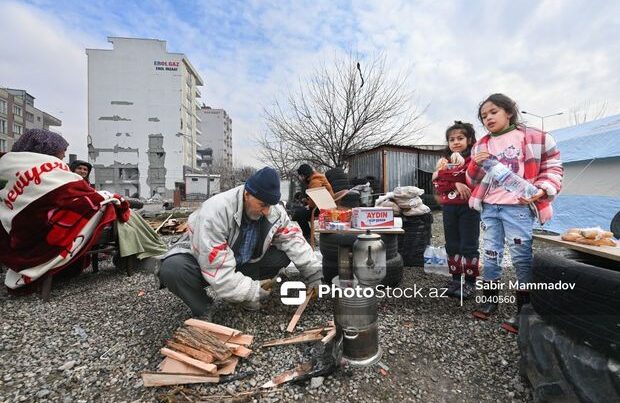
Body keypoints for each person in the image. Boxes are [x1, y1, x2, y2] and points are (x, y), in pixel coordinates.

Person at [158, 167, 322, 317]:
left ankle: (241, 292)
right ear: (247, 194)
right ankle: (204, 307)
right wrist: (251, 291)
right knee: (173, 269)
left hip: (240, 260)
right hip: (203, 262)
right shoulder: (215, 212)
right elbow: (217, 267)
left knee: (284, 253)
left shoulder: (273, 211)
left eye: (270, 206)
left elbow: (294, 240)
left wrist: (314, 273)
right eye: (262, 205)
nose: (266, 211)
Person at [466, 94, 563, 333]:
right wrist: (474, 165)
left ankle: (524, 311)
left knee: (521, 257)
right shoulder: (481, 145)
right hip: (489, 207)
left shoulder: (534, 137)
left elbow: (553, 166)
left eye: (493, 112)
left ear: (509, 111)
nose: (488, 117)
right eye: (483, 115)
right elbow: (471, 181)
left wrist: (543, 189)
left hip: (518, 207)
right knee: (490, 254)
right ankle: (490, 300)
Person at [0, 129, 128, 291]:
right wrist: (110, 197)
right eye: (62, 150)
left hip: (21, 235)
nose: (63, 154)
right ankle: (137, 253)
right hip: (47, 233)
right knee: (113, 204)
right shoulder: (52, 166)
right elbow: (81, 197)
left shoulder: (8, 167)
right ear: (50, 147)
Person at [68, 158, 167, 263]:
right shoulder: (70, 184)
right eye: (79, 168)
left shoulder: (85, 184)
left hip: (96, 213)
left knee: (130, 214)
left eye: (85, 169)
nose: (83, 171)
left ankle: (151, 240)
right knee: (128, 216)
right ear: (73, 170)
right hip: (86, 217)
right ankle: (149, 242)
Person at [432, 121, 480, 300]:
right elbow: (437, 182)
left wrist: (450, 177)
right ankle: (455, 280)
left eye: (460, 138)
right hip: (449, 208)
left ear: (469, 140)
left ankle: (470, 282)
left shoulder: (473, 161)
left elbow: (472, 179)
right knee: (452, 244)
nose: (456, 142)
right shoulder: (445, 162)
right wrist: (455, 182)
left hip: (469, 209)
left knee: (469, 245)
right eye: (451, 139)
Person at [292, 164, 334, 241]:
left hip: (324, 208)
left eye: (301, 176)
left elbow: (313, 203)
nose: (301, 178)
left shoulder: (315, 181)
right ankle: (308, 236)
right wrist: (307, 201)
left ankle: (309, 237)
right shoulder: (316, 178)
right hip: (324, 205)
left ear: (304, 175)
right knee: (299, 212)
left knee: (298, 214)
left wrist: (307, 203)